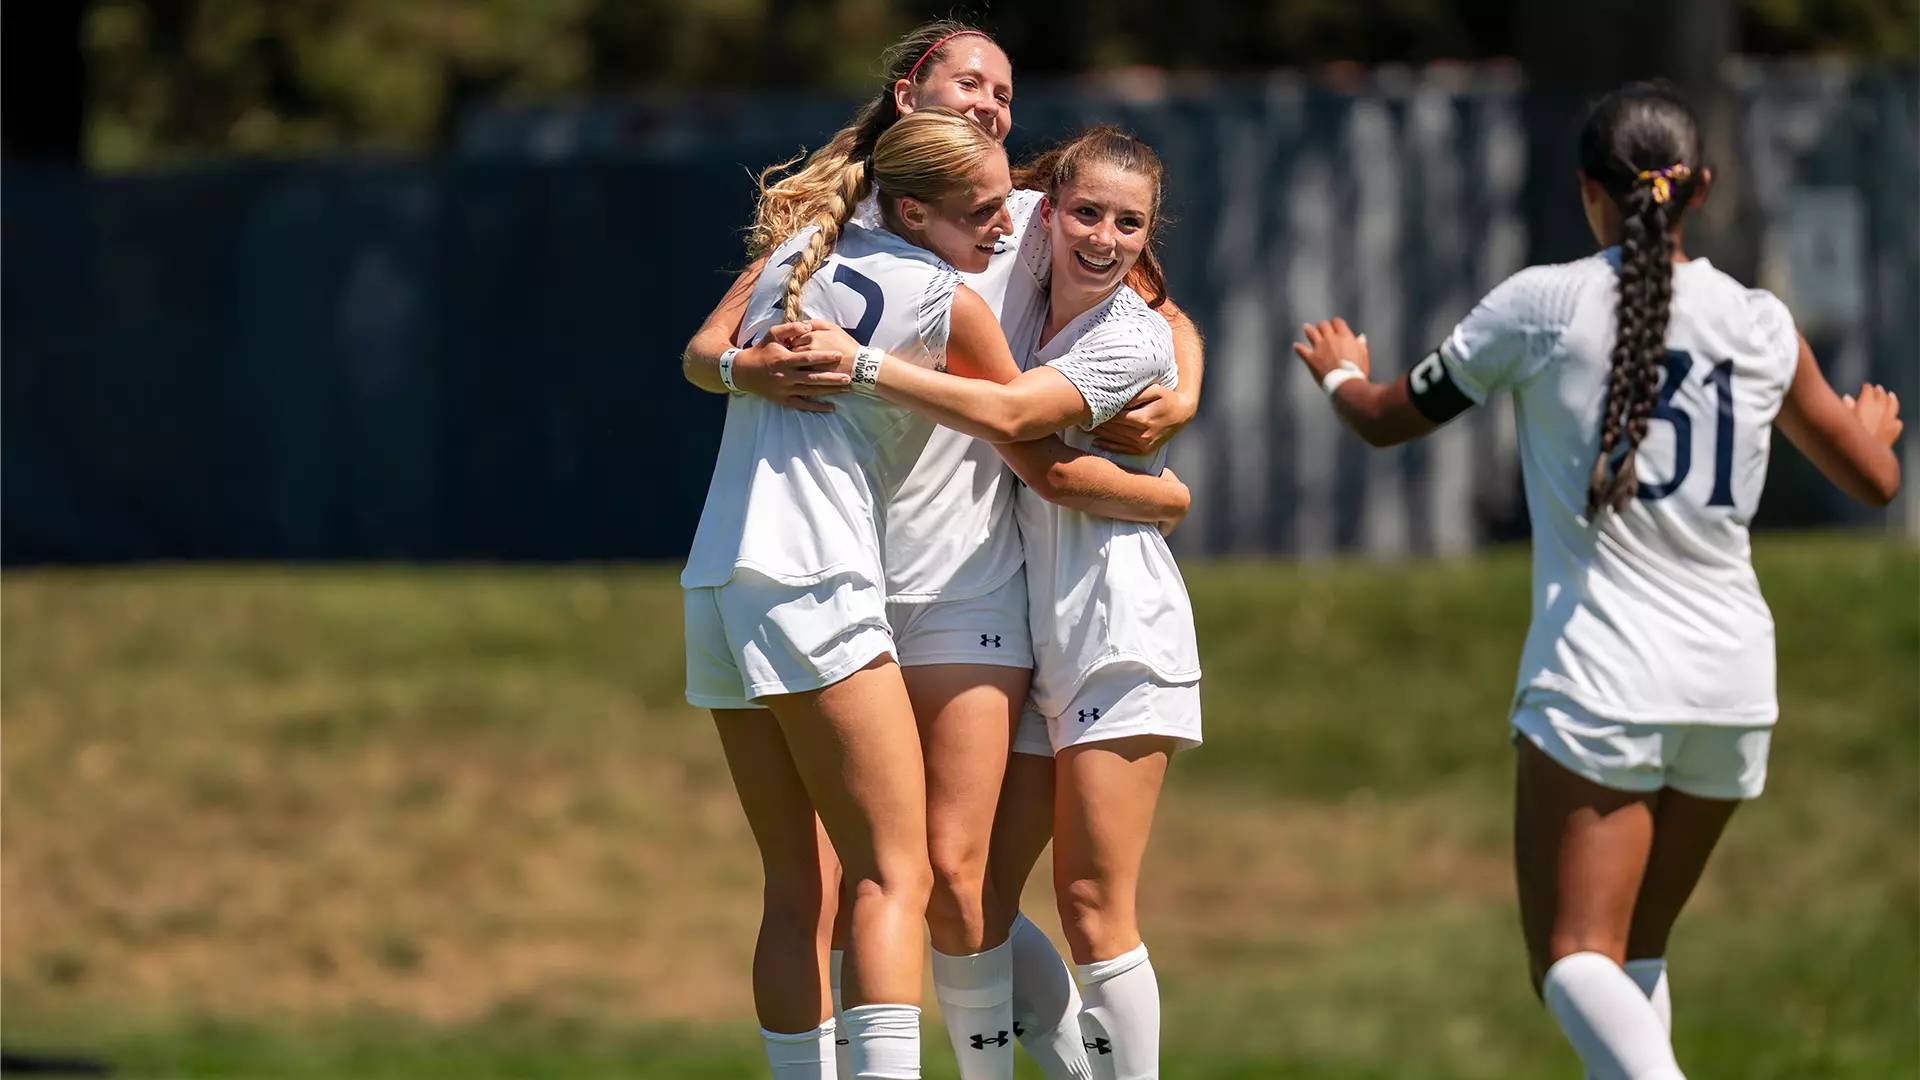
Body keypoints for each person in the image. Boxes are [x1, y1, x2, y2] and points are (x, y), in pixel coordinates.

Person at [1287, 83, 1902, 1080]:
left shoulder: (1541, 304)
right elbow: (1875, 479)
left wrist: (1336, 373)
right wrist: (1868, 431)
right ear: (1700, 189)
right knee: (1632, 960)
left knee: (1572, 961)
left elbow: (1389, 415)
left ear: (1587, 193)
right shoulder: (1759, 320)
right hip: (1734, 687)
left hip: (1602, 681)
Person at [685, 21, 1205, 1080]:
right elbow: (707, 350)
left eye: (1009, 92)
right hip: (848, 580)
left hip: (948, 577)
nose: (994, 104)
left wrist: (1181, 397)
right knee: (874, 879)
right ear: (911, 88)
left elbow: (1154, 312)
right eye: (972, 80)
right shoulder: (858, 233)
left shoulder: (998, 212)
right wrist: (1159, 498)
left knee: (936, 878)